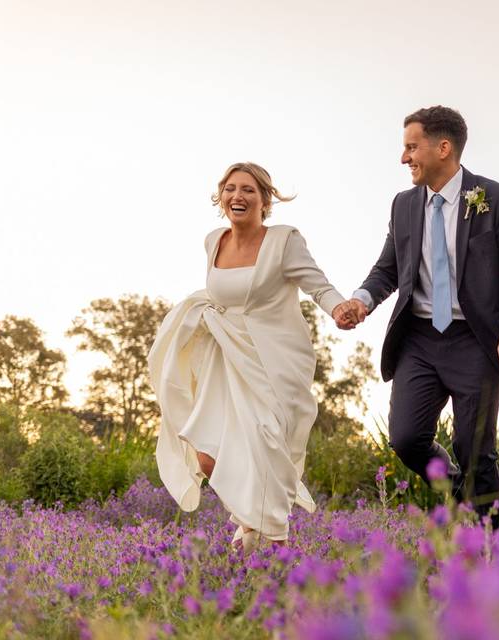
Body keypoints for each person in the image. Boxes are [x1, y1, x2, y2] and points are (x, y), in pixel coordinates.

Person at [344, 106, 499, 528]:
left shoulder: (495, 198)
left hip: (475, 340)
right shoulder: (403, 205)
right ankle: (464, 494)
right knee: (406, 439)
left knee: (475, 450)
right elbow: (388, 269)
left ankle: (496, 545)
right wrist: (362, 300)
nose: (404, 158)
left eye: (411, 147)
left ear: (444, 147)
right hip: (418, 339)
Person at [148, 162, 355, 553]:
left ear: (265, 199)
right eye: (229, 189)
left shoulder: (283, 241)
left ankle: (271, 543)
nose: (237, 196)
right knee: (208, 457)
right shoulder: (213, 241)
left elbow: (318, 285)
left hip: (274, 362)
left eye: (247, 190)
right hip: (224, 359)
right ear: (220, 196)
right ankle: (251, 529)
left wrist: (339, 308)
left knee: (266, 449)